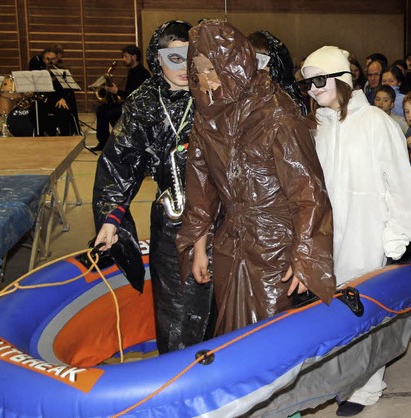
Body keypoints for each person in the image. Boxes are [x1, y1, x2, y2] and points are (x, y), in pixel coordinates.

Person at [176, 20, 335, 336]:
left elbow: (308, 191)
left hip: (274, 245)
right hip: (231, 242)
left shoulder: (277, 113)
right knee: (230, 333)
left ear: (234, 64)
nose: (206, 81)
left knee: (269, 338)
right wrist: (198, 246)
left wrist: (304, 257)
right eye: (199, 72)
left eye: (212, 69)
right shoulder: (208, 115)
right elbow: (200, 186)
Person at [301, 45, 411, 416]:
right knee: (336, 307)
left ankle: (367, 385)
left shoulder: (375, 122)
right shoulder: (318, 125)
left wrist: (397, 233)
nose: (312, 90)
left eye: (319, 81)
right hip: (330, 232)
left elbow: (400, 183)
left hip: (367, 229)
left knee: (365, 308)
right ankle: (343, 377)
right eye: (307, 83)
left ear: (340, 78)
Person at [92, 20, 215, 354]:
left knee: (224, 306)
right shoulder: (143, 103)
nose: (181, 67)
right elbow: (119, 160)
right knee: (176, 309)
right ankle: (181, 390)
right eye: (171, 57)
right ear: (156, 58)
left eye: (187, 57)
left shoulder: (216, 94)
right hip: (173, 221)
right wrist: (110, 217)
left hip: (225, 219)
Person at [91, 45, 151, 152]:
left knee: (111, 113)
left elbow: (133, 96)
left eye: (125, 56)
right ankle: (103, 142)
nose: (123, 59)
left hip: (136, 107)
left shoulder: (141, 73)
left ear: (134, 56)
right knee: (101, 109)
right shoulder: (132, 71)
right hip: (129, 103)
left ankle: (120, 141)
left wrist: (117, 91)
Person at [247, 30, 308, 115]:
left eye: (260, 61)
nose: (254, 67)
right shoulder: (239, 95)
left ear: (274, 66)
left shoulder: (288, 102)